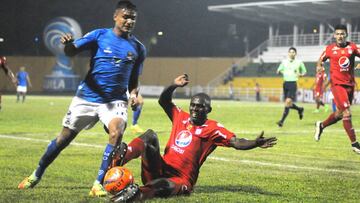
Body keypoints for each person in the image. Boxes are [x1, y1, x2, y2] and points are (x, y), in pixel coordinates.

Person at [18, 0, 146, 197]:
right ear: (115, 16)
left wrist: (135, 94)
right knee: (63, 139)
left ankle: (98, 184)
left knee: (117, 130)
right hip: (87, 97)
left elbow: (134, 79)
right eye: (125, 16)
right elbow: (71, 51)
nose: (129, 21)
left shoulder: (138, 48)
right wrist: (68, 45)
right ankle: (36, 174)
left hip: (114, 100)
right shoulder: (99, 35)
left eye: (133, 18)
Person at [110, 74, 277, 202]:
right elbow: (164, 101)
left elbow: (236, 142)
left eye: (200, 106)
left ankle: (135, 194)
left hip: (180, 179)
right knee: (150, 135)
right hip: (159, 169)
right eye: (193, 105)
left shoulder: (212, 128)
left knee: (162, 185)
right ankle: (119, 159)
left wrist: (255, 143)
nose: (195, 109)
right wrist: (174, 85)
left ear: (208, 110)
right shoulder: (180, 116)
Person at [314, 24, 360, 154]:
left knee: (340, 114)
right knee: (347, 113)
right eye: (337, 34)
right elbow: (320, 60)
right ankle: (355, 144)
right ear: (334, 35)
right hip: (337, 85)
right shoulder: (330, 49)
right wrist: (319, 67)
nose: (340, 36)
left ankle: (321, 125)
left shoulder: (353, 47)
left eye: (342, 34)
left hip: (350, 85)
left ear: (346, 35)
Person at [276, 47, 307, 127]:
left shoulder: (299, 62)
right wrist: (279, 71)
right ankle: (300, 109)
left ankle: (281, 121)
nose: (291, 53)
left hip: (293, 83)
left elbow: (304, 72)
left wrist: (300, 74)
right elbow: (278, 70)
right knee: (288, 104)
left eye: (293, 52)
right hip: (285, 83)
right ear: (288, 53)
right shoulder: (284, 62)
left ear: (295, 53)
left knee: (287, 102)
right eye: (290, 52)